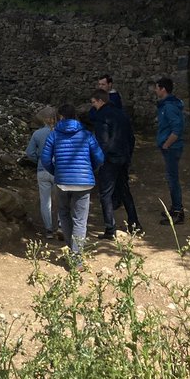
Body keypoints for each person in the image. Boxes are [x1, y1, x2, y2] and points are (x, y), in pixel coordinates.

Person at [39, 103, 104, 264]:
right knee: (80, 220)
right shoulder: (86, 134)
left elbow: (45, 159)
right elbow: (99, 157)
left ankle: (72, 250)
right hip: (84, 183)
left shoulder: (54, 135)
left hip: (62, 182)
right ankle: (77, 258)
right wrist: (89, 170)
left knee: (64, 214)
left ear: (60, 117)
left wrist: (56, 172)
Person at [89, 89, 141, 238]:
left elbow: (103, 142)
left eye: (94, 102)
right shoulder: (122, 114)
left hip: (110, 160)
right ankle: (135, 223)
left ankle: (110, 229)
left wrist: (98, 161)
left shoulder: (101, 117)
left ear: (101, 101)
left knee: (106, 194)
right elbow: (131, 138)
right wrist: (128, 155)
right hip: (123, 157)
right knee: (124, 190)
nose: (93, 106)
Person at [155, 76, 187, 224]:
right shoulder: (168, 105)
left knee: (172, 179)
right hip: (170, 147)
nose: (155, 91)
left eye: (157, 88)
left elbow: (177, 129)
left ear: (163, 89)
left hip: (172, 148)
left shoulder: (169, 107)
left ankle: (178, 212)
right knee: (171, 178)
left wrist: (166, 144)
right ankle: (175, 208)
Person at [25, 106, 59, 240]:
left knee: (45, 201)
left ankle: (49, 229)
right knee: (61, 200)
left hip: (42, 168)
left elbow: (29, 152)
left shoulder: (37, 134)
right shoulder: (60, 133)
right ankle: (60, 225)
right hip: (58, 170)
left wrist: (38, 160)